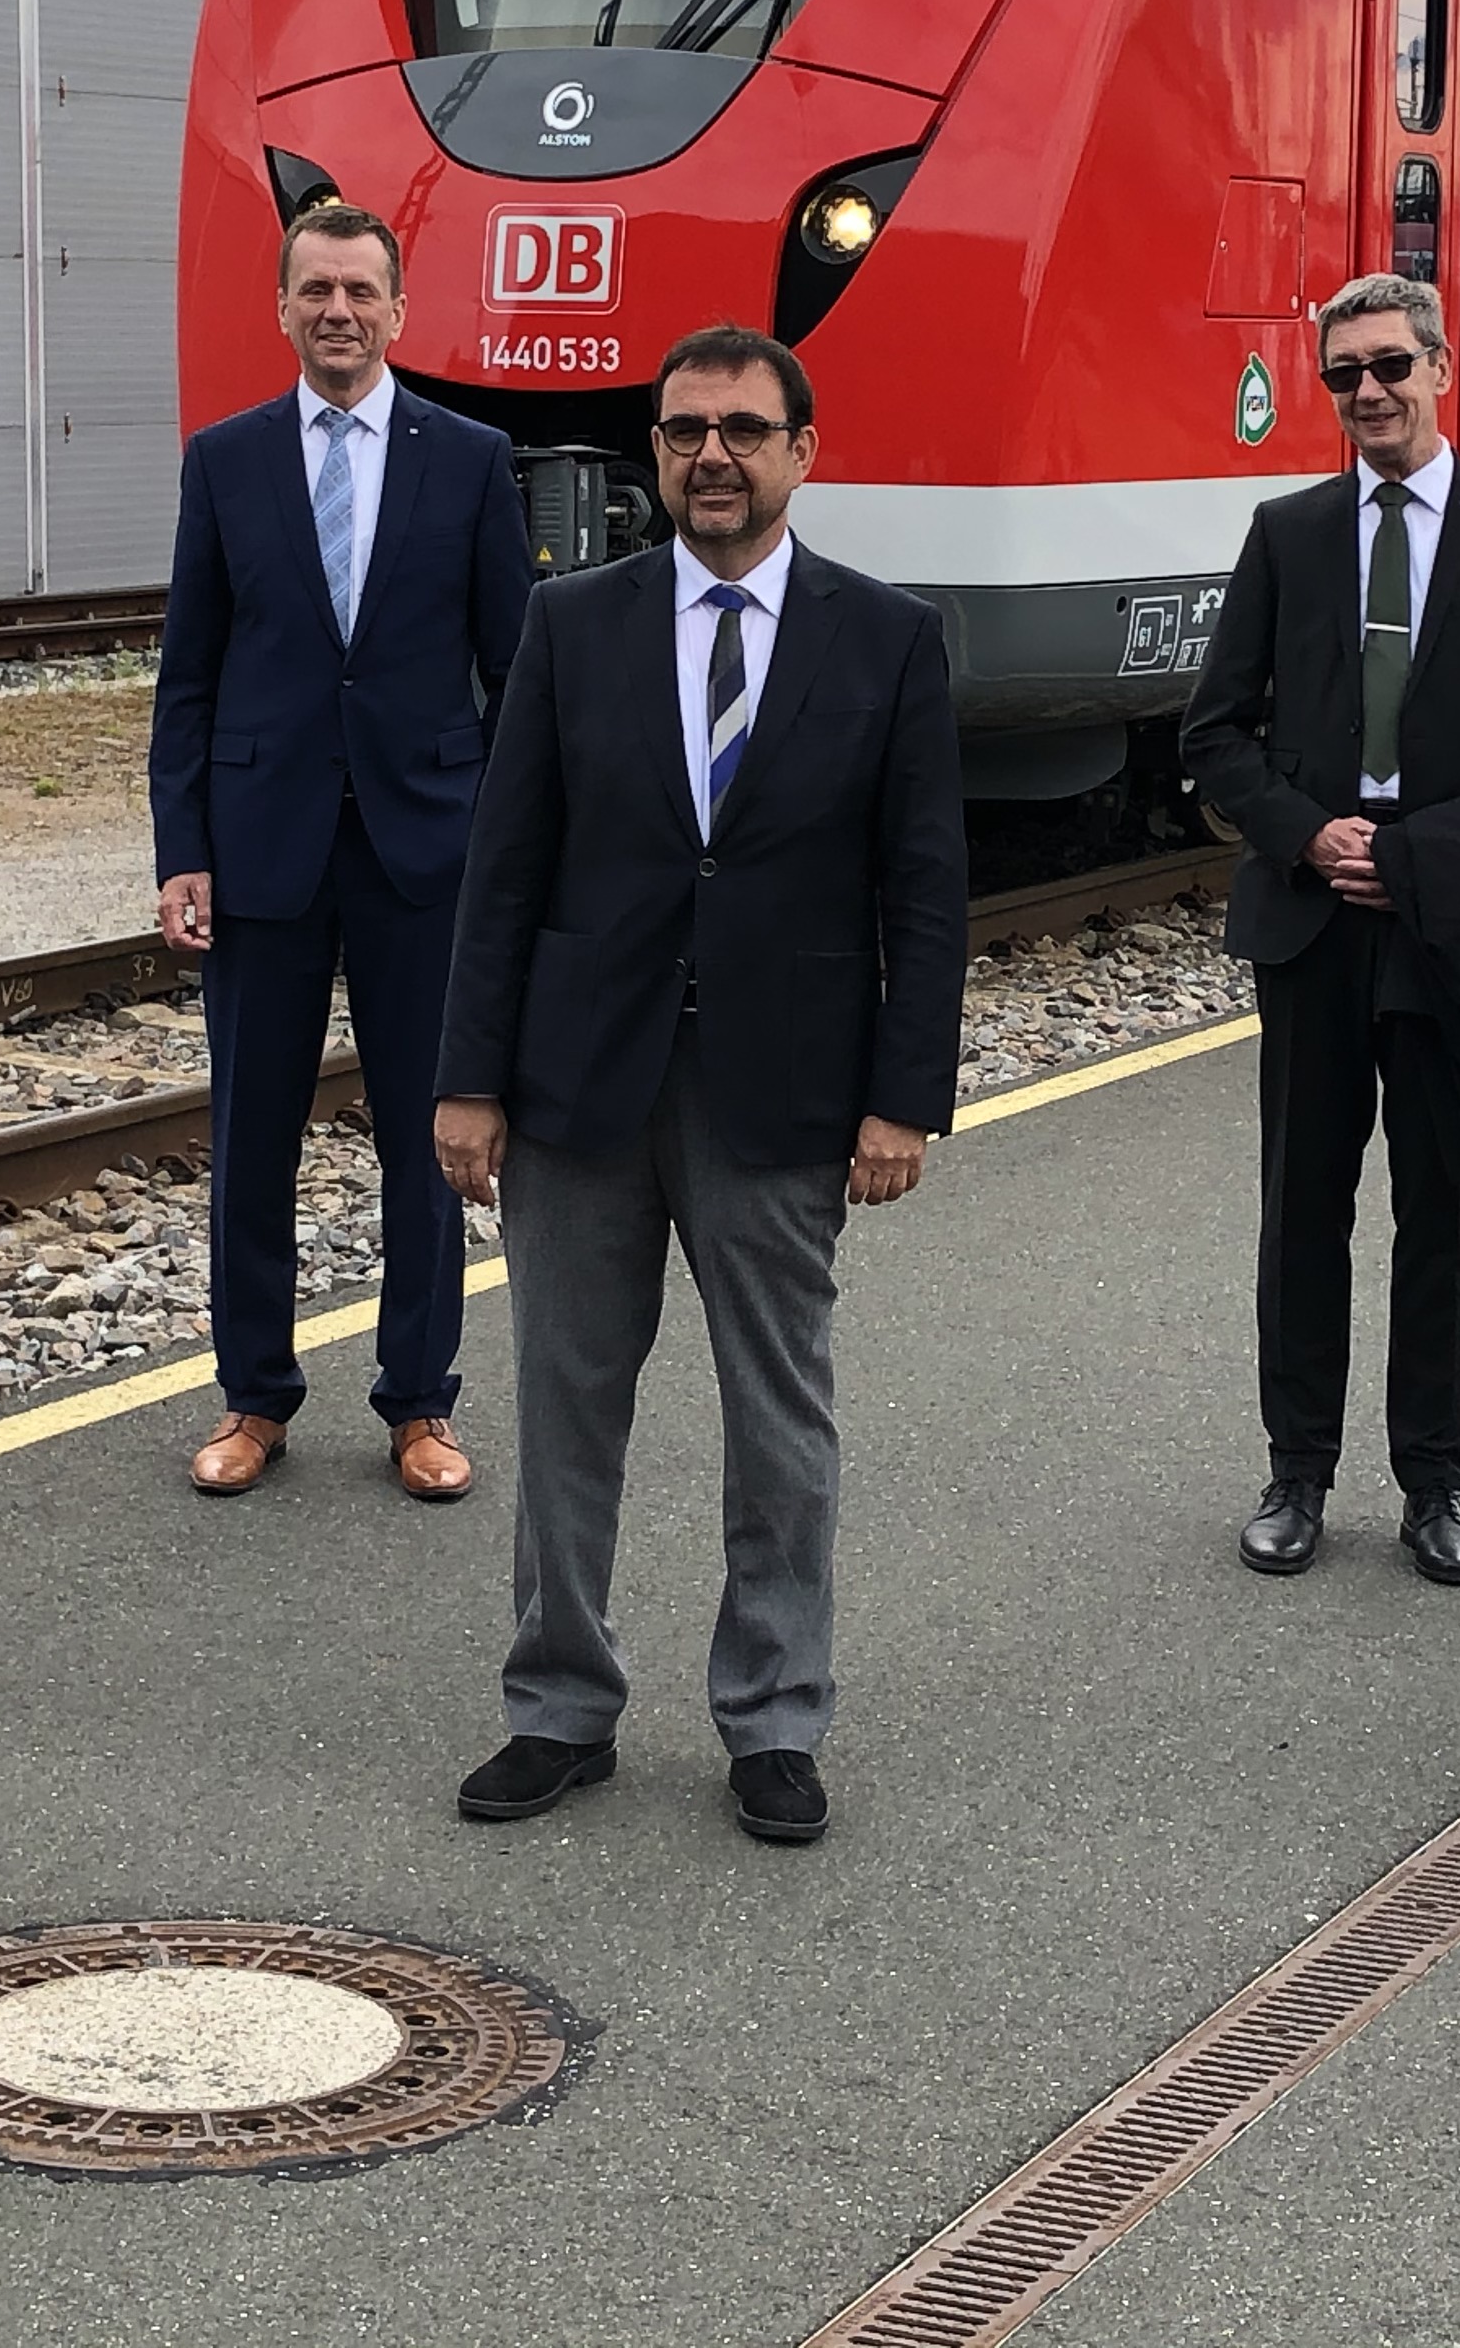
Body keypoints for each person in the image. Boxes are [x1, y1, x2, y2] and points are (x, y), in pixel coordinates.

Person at [433, 326, 967, 1846]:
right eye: (682, 432)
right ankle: (557, 1706)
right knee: (563, 1404)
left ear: (805, 448)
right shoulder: (573, 624)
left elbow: (924, 896)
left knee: (778, 1420)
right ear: (655, 455)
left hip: (783, 1096)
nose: (710, 455)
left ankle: (774, 1718)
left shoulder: (889, 639)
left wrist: (901, 1099)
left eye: (742, 428)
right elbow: (506, 872)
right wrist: (467, 1081)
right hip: (576, 1089)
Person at [1181, 274, 1460, 1589]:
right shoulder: (1287, 532)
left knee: (1443, 1211)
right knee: (1302, 1207)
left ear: (1440, 368)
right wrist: (1310, 833)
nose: (1367, 392)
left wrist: (1442, 855)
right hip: (1314, 922)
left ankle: (1435, 1483)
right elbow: (1214, 735)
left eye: (1388, 366)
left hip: (1453, 931)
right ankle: (1295, 1474)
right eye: (1343, 374)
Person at [150, 201, 533, 1503]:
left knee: (430, 1139)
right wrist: (179, 846)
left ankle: (420, 1404)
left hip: (427, 850)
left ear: (399, 308)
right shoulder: (226, 460)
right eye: (315, 290)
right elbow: (188, 676)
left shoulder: (472, 459)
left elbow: (514, 673)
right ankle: (254, 1398)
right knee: (252, 1132)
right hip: (261, 848)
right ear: (283, 308)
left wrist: (508, 846)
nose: (338, 312)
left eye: (361, 291)